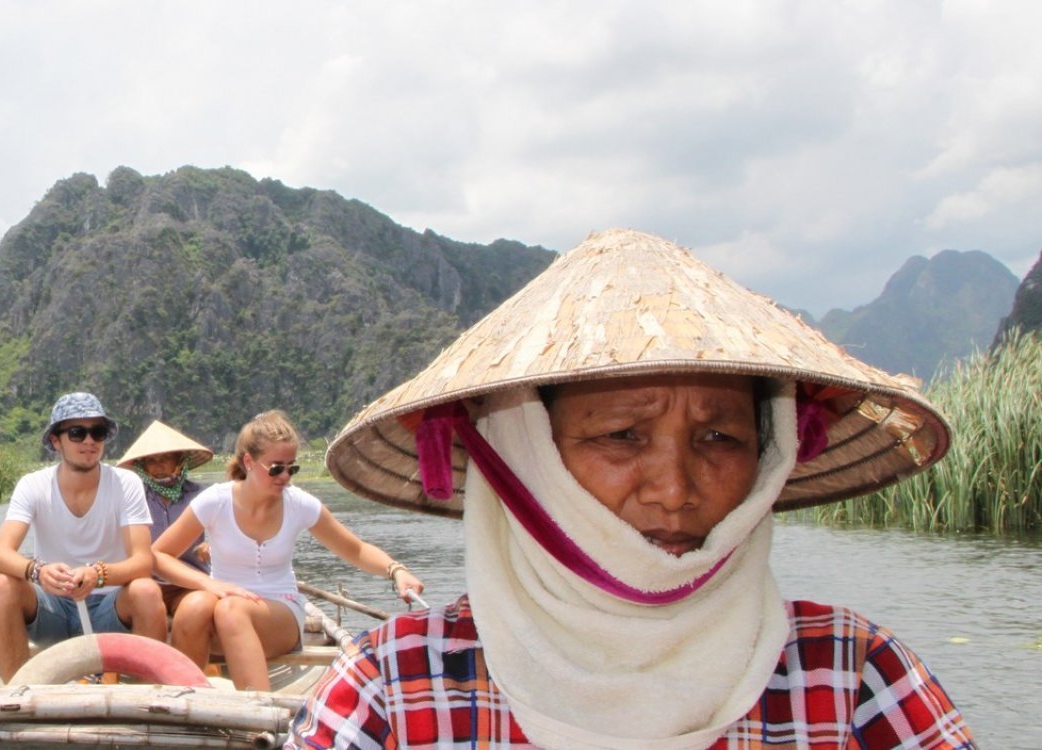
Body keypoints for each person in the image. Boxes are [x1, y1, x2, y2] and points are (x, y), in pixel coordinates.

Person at [292, 229, 974, 748]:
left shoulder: (852, 675)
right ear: (523, 455)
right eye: (622, 436)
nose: (676, 490)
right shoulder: (391, 687)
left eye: (720, 438)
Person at [153, 410, 425, 692]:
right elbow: (158, 555)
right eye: (276, 468)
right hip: (223, 610)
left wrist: (397, 571)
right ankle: (189, 704)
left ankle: (260, 717)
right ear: (248, 462)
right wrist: (207, 583)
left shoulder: (298, 504)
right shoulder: (216, 501)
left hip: (278, 614)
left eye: (291, 468)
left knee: (230, 610)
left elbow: (355, 549)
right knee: (194, 606)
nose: (284, 477)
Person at [0, 392, 167, 683]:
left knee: (146, 591)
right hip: (54, 611)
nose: (89, 441)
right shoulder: (33, 486)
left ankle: (147, 698)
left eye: (98, 432)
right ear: (56, 441)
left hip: (110, 610)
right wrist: (38, 571)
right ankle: (17, 694)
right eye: (77, 433)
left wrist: (98, 575)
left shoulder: (126, 483)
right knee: (4, 586)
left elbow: (143, 562)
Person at [114, 420, 216, 614]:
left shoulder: (203, 496)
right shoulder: (134, 499)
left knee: (196, 609)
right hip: (147, 583)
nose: (158, 465)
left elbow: (224, 530)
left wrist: (212, 545)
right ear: (142, 466)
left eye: (165, 458)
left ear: (180, 461)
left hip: (190, 582)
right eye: (151, 460)